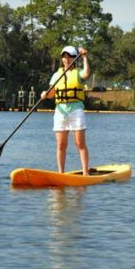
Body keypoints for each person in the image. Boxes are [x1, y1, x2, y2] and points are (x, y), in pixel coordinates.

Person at [40, 45, 91, 175]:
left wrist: (85, 57)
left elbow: (86, 74)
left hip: (76, 110)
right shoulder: (56, 75)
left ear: (75, 58)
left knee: (80, 143)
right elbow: (51, 94)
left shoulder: (78, 73)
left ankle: (85, 172)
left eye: (69, 57)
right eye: (64, 57)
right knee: (61, 145)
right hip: (60, 112)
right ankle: (61, 173)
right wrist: (45, 94)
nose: (66, 59)